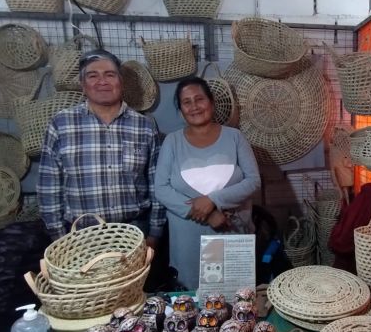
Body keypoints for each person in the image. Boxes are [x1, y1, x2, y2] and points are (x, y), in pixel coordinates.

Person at [37, 49, 165, 250]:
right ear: (83, 85)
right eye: (92, 76)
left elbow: (157, 183)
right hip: (80, 240)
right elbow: (49, 187)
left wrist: (155, 234)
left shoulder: (145, 126)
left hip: (134, 236)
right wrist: (60, 239)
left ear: (120, 82)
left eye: (110, 75)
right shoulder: (61, 124)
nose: (102, 81)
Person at [155, 77, 260, 289]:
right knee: (191, 304)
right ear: (181, 109)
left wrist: (213, 200)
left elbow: (253, 181)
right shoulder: (172, 141)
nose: (194, 106)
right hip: (188, 242)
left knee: (236, 302)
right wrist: (209, 213)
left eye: (199, 99)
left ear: (211, 102)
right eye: (186, 102)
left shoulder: (235, 137)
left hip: (232, 235)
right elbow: (162, 189)